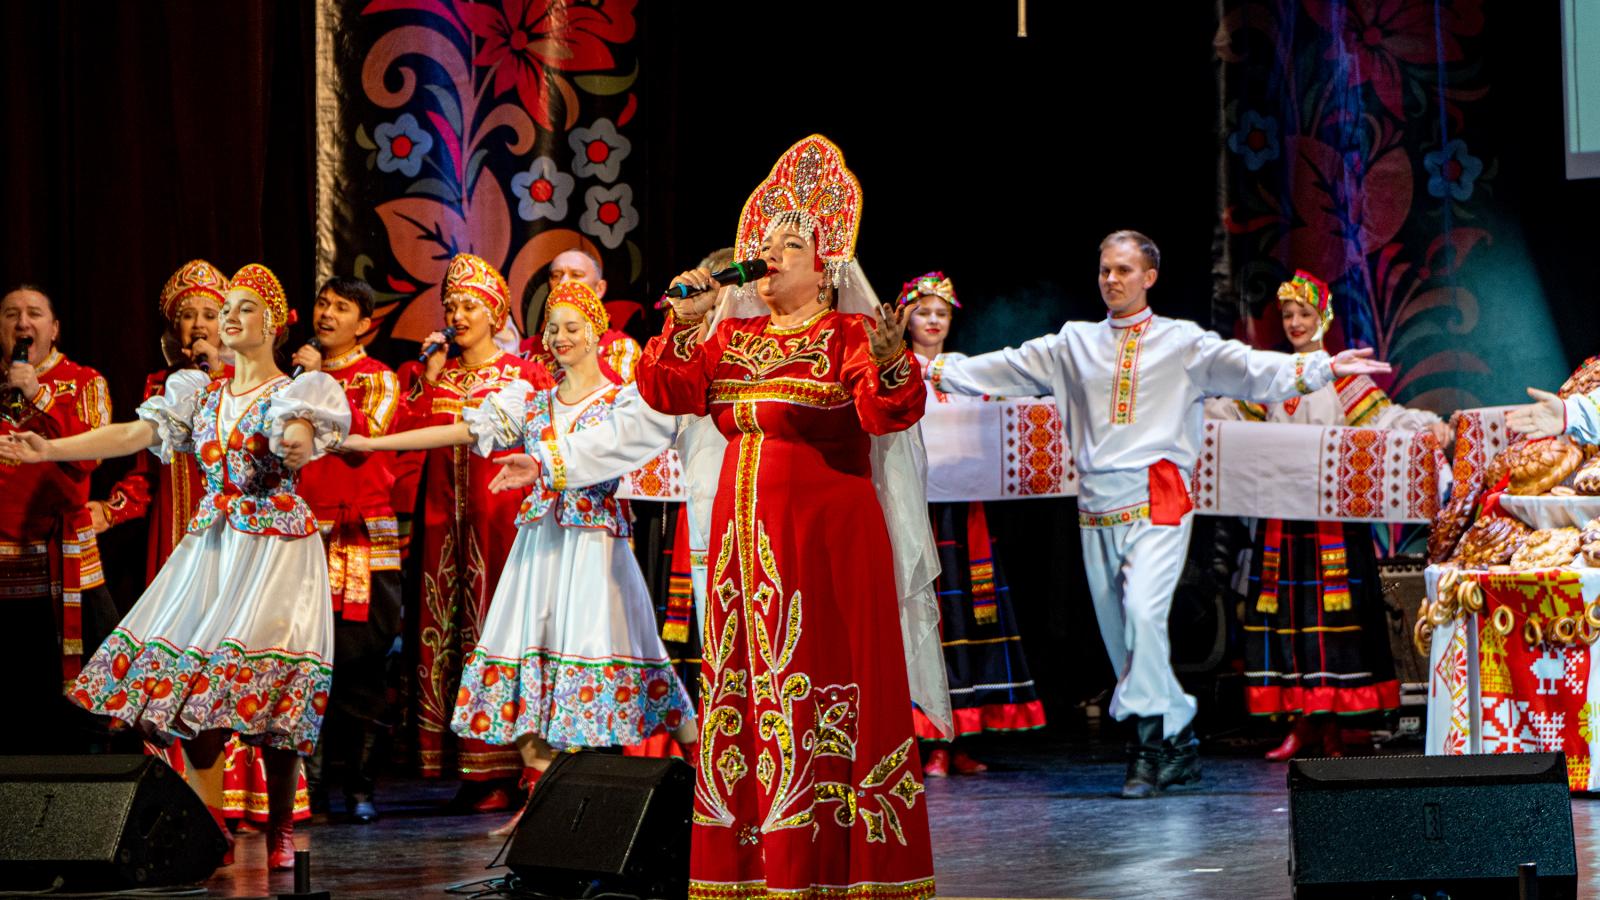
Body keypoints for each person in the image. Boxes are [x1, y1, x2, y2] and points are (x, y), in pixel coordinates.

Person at [929, 230, 1393, 799]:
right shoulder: (1074, 343)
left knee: (1144, 616)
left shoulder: (1182, 342)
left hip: (1159, 495)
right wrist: (929, 370)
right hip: (1096, 504)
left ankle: (1146, 751)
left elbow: (1250, 369)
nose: (1111, 279)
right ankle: (1179, 738)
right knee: (1123, 641)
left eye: (1124, 270)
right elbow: (1004, 367)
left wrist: (1320, 368)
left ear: (1149, 277)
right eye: (1105, 269)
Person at [637, 134, 942, 899]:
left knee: (825, 685)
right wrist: (685, 319)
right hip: (744, 552)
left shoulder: (846, 335)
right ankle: (753, 865)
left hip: (827, 546)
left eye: (792, 244)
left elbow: (887, 413)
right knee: (749, 690)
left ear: (828, 266)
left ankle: (840, 866)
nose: (772, 256)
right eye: (766, 245)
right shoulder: (732, 338)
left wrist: (893, 361)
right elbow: (670, 391)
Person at [0, 264, 348, 870]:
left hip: (275, 549)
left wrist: (296, 440)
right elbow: (132, 434)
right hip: (214, 546)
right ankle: (211, 825)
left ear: (272, 324)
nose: (228, 318)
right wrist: (49, 447)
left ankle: (281, 825)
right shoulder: (199, 394)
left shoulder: (297, 390)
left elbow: (299, 429)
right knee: (197, 685)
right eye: (224, 309)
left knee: (272, 689)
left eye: (242, 308)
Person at [339, 280, 697, 834]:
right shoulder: (531, 401)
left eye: (572, 327)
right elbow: (461, 430)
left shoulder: (622, 402)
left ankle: (701, 775)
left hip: (593, 548)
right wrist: (373, 444)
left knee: (620, 655)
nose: (560, 337)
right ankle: (542, 799)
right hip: (539, 547)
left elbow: (628, 448)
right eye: (551, 328)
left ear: (596, 333)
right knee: (523, 656)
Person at [1205, 271, 1445, 759]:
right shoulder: (1275, 377)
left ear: (1324, 317)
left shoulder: (1345, 380)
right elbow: (1227, 415)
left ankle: (1332, 726)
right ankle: (1300, 723)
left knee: (1335, 625)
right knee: (1287, 622)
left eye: (1305, 314)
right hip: (1281, 525)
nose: (1295, 322)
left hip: (1333, 525)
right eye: (1288, 315)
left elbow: (1387, 419)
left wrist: (1429, 426)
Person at [397, 252, 555, 807]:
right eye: (451, 307)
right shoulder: (435, 375)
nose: (457, 316)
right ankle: (468, 768)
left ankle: (510, 766)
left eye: (469, 306)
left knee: (499, 632)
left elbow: (547, 445)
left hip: (503, 529)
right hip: (444, 527)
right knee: (446, 635)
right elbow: (405, 442)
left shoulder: (524, 375)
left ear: (495, 314)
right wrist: (428, 380)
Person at [899, 271, 1046, 777]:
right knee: (925, 620)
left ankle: (961, 737)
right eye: (923, 312)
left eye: (941, 313)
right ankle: (924, 739)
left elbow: (1000, 416)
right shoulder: (894, 370)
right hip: (915, 513)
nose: (933, 321)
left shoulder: (964, 370)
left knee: (967, 620)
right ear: (906, 319)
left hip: (964, 518)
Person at [290, 276, 402, 822]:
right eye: (322, 303)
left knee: (362, 662)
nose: (327, 314)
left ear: (364, 324)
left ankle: (359, 786)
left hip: (363, 540)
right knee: (305, 661)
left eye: (341, 307)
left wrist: (316, 383)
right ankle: (307, 786)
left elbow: (363, 440)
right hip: (305, 536)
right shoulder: (292, 380)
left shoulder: (377, 378)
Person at [0, 284, 117, 754]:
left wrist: (38, 395)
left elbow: (90, 457)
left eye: (34, 313)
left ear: (54, 328)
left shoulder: (84, 382)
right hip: (4, 565)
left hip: (63, 564)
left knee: (85, 703)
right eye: (10, 314)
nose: (22, 323)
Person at [91, 260, 229, 581]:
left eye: (210, 315)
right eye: (188, 315)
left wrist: (218, 374)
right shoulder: (158, 386)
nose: (198, 324)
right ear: (175, 327)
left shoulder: (246, 381)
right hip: (174, 533)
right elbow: (147, 474)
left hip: (230, 531)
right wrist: (112, 510)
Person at [521, 247, 642, 382]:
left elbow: (615, 391)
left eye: (576, 275)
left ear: (599, 288)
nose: (563, 283)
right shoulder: (528, 348)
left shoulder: (619, 346)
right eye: (556, 276)